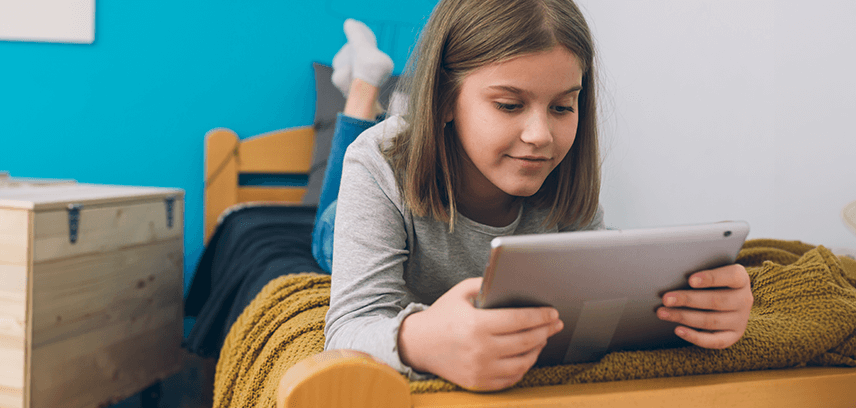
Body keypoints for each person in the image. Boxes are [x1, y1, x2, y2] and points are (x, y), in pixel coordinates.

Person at [317, 0, 754, 392]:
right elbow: (349, 327)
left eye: (562, 107)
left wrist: (702, 310)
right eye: (509, 105)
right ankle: (362, 89)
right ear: (445, 98)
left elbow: (599, 297)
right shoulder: (376, 166)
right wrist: (419, 340)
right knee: (326, 223)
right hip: (356, 219)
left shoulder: (563, 173)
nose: (541, 136)